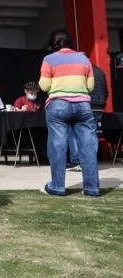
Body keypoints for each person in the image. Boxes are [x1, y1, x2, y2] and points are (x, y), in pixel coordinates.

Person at [38, 29, 99, 198]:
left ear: (52, 44)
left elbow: (43, 86)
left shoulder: (49, 59)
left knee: (57, 146)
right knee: (88, 147)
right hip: (83, 106)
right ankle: (92, 188)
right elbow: (90, 87)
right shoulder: (84, 58)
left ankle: (57, 186)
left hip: (58, 105)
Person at [66, 64, 108, 172]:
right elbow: (106, 90)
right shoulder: (99, 70)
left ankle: (76, 161)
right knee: (92, 133)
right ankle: (91, 162)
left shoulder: (80, 69)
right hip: (99, 106)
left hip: (85, 104)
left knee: (73, 131)